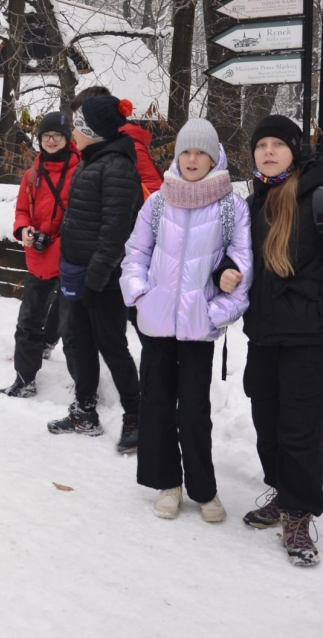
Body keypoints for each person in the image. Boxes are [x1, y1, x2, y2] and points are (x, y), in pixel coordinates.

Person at [121, 118, 252, 522]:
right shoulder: (158, 201)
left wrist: (214, 313)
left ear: (215, 157)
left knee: (194, 410)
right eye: (186, 152)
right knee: (157, 404)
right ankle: (167, 484)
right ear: (177, 155)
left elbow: (244, 270)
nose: (193, 159)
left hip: (198, 329)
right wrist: (141, 297)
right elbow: (135, 255)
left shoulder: (231, 206)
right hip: (157, 324)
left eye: (201, 153)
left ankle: (204, 489)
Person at [239, 114, 323, 566]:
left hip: (310, 341)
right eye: (261, 145)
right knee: (267, 424)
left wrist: (318, 311)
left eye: (278, 144)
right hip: (264, 335)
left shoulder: (321, 198)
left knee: (301, 433)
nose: (269, 151)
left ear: (295, 150)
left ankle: (299, 513)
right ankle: (282, 493)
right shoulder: (258, 199)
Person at [48, 94, 142, 453]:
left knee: (112, 345)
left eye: (78, 126)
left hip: (102, 278)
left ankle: (136, 414)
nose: (73, 131)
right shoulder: (92, 161)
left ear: (94, 132)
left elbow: (115, 233)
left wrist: (95, 279)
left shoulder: (116, 167)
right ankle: (84, 411)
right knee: (79, 340)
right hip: (78, 273)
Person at [0, 111, 80, 398]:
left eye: (57, 135)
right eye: (46, 136)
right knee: (28, 321)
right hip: (38, 258)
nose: (51, 140)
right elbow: (21, 211)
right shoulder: (32, 175)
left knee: (72, 330)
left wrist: (58, 242)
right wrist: (23, 230)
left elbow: (82, 217)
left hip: (70, 259)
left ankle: (84, 387)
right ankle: (24, 378)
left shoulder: (80, 171)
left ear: (67, 139)